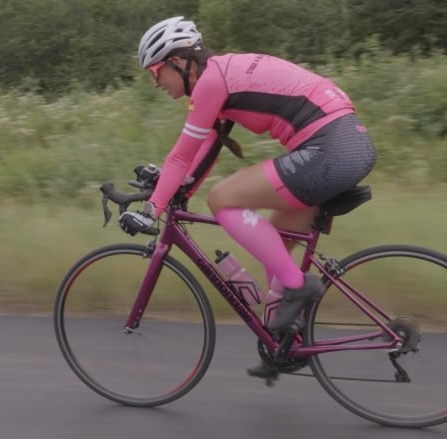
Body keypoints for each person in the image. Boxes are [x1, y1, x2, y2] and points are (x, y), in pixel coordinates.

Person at [119, 16, 377, 379]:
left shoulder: (212, 81)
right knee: (277, 249)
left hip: (330, 148)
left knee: (224, 199)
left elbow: (180, 156)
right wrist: (173, 191)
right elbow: (200, 155)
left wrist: (150, 211)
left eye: (156, 71)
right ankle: (283, 348)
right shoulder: (220, 76)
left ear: (178, 62)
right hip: (347, 142)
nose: (154, 81)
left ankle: (301, 287)